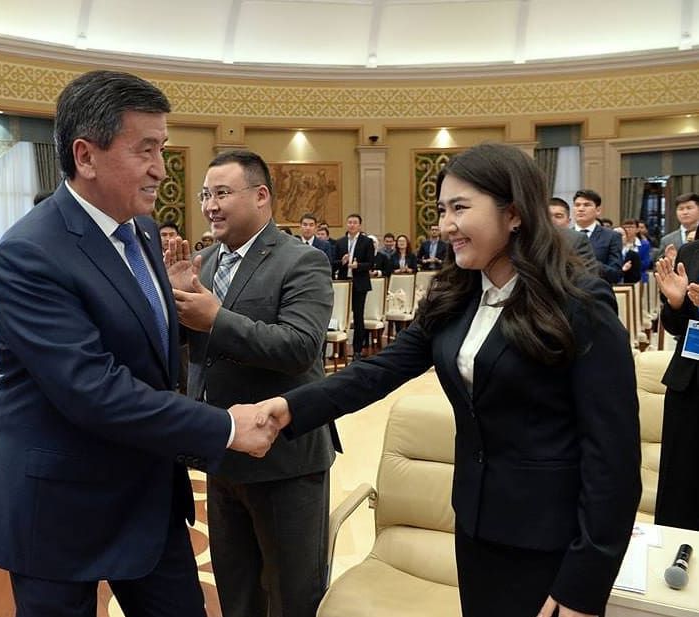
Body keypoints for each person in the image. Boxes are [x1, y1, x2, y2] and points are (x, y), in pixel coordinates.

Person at [251, 143, 641, 617]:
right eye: (441, 210)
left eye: (460, 208)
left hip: (549, 540)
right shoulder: (457, 296)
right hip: (476, 526)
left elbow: (613, 456)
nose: (445, 225)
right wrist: (291, 408)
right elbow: (379, 370)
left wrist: (585, 583)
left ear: (514, 213)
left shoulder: (579, 303)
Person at [0, 70, 277, 617]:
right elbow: (92, 388)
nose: (162, 168)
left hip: (147, 494)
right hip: (59, 505)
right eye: (146, 150)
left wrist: (182, 315)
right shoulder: (29, 252)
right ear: (85, 156)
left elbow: (142, 350)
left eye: (162, 148)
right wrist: (226, 427)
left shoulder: (141, 231)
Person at [170, 150, 337, 617]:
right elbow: (189, 349)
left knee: (292, 593)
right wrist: (173, 305)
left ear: (261, 195)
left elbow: (300, 347)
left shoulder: (302, 261)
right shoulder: (201, 262)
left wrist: (215, 318)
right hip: (223, 452)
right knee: (237, 590)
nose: (210, 205)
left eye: (222, 193)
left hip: (286, 458)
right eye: (205, 194)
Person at [653, 244, 699, 531]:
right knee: (679, 480)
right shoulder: (690, 253)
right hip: (690, 380)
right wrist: (676, 303)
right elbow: (677, 326)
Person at [334, 214, 374, 361]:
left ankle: (357, 350)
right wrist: (342, 262)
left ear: (359, 225)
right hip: (344, 283)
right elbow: (334, 263)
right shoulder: (340, 242)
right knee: (341, 316)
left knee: (358, 316)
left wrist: (358, 266)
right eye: (349, 222)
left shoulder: (366, 242)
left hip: (359, 283)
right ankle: (340, 350)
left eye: (355, 223)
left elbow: (370, 263)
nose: (351, 225)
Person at [572, 189, 622, 284]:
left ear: (598, 210)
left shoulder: (611, 236)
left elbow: (616, 274)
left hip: (597, 289)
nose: (581, 209)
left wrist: (589, 262)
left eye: (587, 205)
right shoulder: (564, 236)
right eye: (577, 205)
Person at [547, 197, 598, 272]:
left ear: (568, 222)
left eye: (558, 216)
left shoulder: (577, 240)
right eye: (547, 216)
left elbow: (587, 273)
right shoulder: (531, 239)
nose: (552, 220)